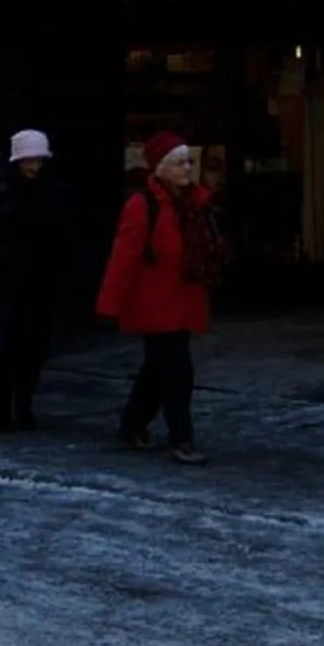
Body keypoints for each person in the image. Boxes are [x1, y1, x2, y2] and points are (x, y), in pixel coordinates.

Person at [95, 130, 223, 466]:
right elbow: (123, 258)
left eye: (188, 162)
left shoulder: (196, 204)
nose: (186, 169)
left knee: (158, 369)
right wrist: (109, 305)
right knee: (178, 370)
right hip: (155, 305)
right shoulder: (143, 206)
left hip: (183, 300)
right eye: (179, 162)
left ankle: (132, 424)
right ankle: (182, 438)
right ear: (160, 168)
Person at [0, 127, 83, 432]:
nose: (34, 167)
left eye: (38, 161)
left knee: (31, 348)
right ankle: (3, 410)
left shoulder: (52, 190)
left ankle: (24, 408)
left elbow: (64, 233)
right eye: (30, 161)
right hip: (2, 279)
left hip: (38, 280)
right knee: (4, 349)